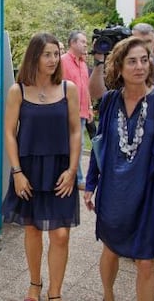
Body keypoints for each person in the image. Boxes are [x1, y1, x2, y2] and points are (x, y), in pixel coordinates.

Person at [83, 36, 154, 301]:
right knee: (110, 250)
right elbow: (99, 145)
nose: (139, 66)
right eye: (132, 61)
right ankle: (107, 296)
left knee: (146, 261)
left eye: (144, 60)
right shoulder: (110, 101)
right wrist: (90, 184)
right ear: (119, 68)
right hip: (115, 191)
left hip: (151, 193)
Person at [2, 32, 81, 301]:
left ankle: (55, 292)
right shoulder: (18, 90)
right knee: (33, 229)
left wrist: (72, 171)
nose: (53, 59)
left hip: (61, 170)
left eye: (56, 54)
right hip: (29, 170)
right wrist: (16, 173)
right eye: (47, 54)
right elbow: (9, 133)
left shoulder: (68, 88)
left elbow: (75, 132)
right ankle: (35, 284)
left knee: (60, 234)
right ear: (34, 56)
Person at [61, 30, 93, 190]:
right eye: (83, 42)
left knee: (77, 144)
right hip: (67, 111)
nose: (86, 45)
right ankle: (78, 178)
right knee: (76, 143)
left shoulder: (83, 64)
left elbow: (85, 88)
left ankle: (75, 176)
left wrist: (90, 108)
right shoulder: (62, 61)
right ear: (72, 43)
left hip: (82, 111)